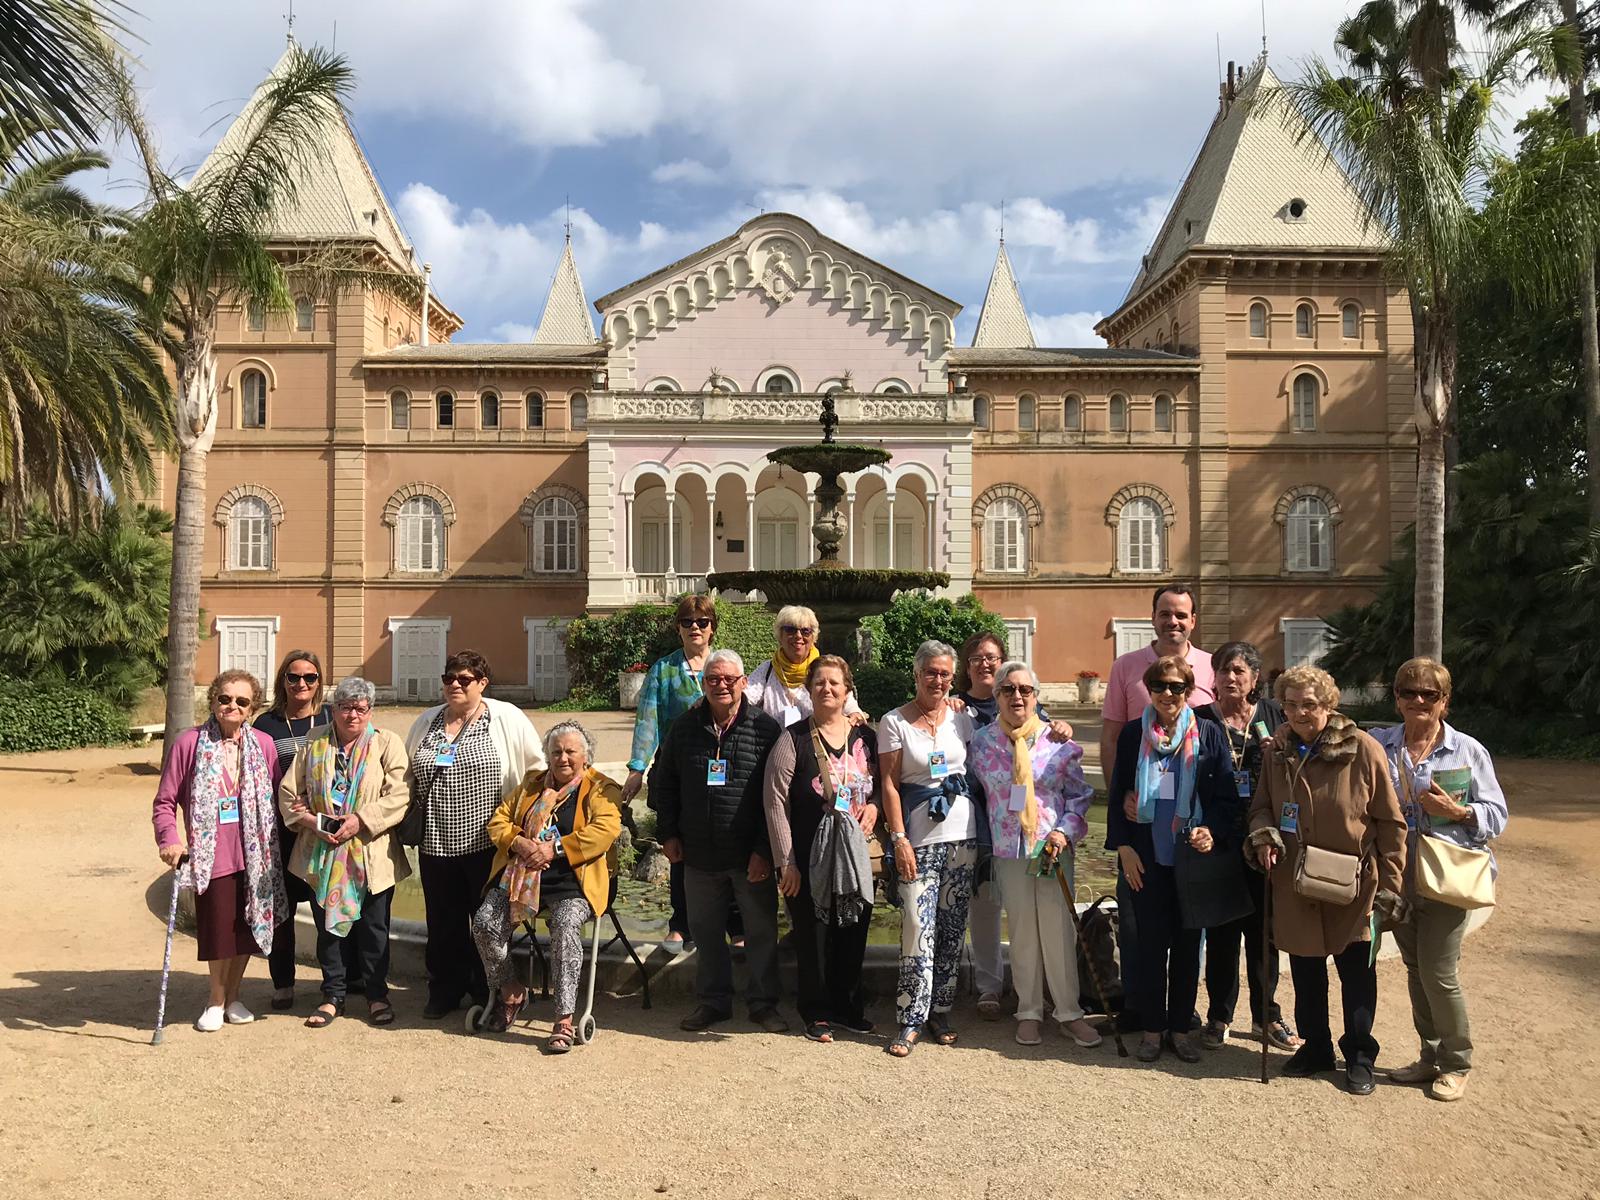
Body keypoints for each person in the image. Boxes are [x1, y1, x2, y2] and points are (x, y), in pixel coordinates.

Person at [1248, 665, 1407, 1096]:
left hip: (1353, 884)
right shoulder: (1278, 752)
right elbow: (1261, 808)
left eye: (1309, 704)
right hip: (1296, 882)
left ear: (1329, 704)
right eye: (1291, 704)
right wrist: (1264, 837)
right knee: (1305, 970)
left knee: (1356, 973)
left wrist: (1391, 886)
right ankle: (1316, 1047)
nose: (1300, 712)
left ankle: (1359, 1056)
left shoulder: (1365, 749)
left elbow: (1391, 823)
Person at [1374, 658, 1508, 1102]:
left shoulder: (1467, 750)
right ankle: (1429, 1056)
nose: (1418, 700)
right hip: (1398, 875)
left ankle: (1456, 1062)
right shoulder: (1380, 745)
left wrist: (1459, 811)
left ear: (1444, 701)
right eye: (1408, 692)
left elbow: (1497, 816)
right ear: (1396, 699)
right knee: (1416, 968)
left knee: (1439, 971)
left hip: (1448, 874)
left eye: (1429, 694)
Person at [1104, 654, 1237, 1063]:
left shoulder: (1209, 734)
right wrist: (1124, 847)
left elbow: (1226, 797)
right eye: (1159, 686)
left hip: (1189, 860)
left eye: (1176, 686)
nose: (1167, 693)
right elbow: (1118, 792)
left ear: (1189, 690)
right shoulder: (1133, 734)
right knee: (1148, 946)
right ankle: (1151, 1029)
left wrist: (1212, 830)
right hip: (1145, 858)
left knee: (1186, 948)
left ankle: (1179, 1029)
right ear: (1149, 689)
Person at [966, 662, 1102, 1049]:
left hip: (1051, 847)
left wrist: (1064, 832)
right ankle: (1028, 1010)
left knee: (1058, 930)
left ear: (1036, 696)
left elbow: (1080, 797)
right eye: (1008, 690)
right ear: (997, 697)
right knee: (1022, 931)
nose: (1017, 696)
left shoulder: (1058, 742)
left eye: (1025, 690)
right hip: (1009, 849)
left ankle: (1069, 1012)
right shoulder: (981, 743)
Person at [404, 649, 545, 1019]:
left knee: (486, 921)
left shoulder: (505, 718)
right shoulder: (427, 721)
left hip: (487, 845)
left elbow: (536, 770)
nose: (455, 684)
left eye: (464, 679)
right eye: (449, 678)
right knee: (442, 923)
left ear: (482, 683)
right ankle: (444, 989)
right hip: (435, 843)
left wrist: (529, 825)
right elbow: (408, 773)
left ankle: (487, 989)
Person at [653, 649, 787, 1033]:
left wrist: (764, 850)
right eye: (713, 679)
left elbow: (776, 798)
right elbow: (663, 783)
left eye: (729, 679)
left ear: (744, 683)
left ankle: (763, 1004)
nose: (721, 685)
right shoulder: (685, 727)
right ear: (704, 683)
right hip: (699, 854)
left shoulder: (765, 730)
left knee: (760, 933)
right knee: (707, 934)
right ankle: (713, 1003)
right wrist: (668, 833)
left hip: (749, 856)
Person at [472, 720, 622, 1053]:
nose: (563, 758)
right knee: (484, 924)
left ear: (586, 756)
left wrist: (554, 849)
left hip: (574, 881)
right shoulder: (532, 784)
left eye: (571, 752)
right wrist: (519, 842)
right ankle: (511, 991)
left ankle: (564, 1019)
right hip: (522, 877)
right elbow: (498, 820)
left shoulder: (601, 788)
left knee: (565, 926)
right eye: (556, 752)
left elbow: (605, 830)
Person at [151, 669, 286, 1032]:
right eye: (225, 698)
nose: (232, 706)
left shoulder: (264, 745)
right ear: (213, 700)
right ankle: (215, 999)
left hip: (257, 855)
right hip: (213, 855)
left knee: (247, 929)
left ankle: (234, 997)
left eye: (242, 701)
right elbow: (164, 801)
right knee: (218, 931)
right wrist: (168, 839)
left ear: (252, 708)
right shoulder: (189, 743)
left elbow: (278, 799)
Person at [951, 630, 1074, 1019]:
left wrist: (1063, 728)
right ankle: (1007, 996)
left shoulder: (1044, 726)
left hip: (1042, 838)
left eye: (992, 657)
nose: (984, 664)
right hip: (994, 836)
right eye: (977, 658)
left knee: (1047, 923)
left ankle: (1058, 1002)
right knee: (999, 917)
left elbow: (1071, 784)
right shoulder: (966, 723)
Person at [279, 678, 410, 1028]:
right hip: (322, 851)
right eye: (345, 707)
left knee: (373, 929)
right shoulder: (315, 741)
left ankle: (376, 994)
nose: (353, 715)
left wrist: (360, 820)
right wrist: (312, 821)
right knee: (328, 930)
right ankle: (332, 995)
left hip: (370, 852)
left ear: (371, 711)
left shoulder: (386, 743)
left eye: (360, 708)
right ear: (333, 709)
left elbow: (399, 794)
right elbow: (289, 790)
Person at [763, 655, 880, 1042]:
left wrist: (875, 807)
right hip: (808, 854)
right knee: (812, 934)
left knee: (854, 929)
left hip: (854, 854)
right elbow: (775, 803)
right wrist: (786, 862)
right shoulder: (792, 739)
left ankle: (847, 1007)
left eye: (834, 683)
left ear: (847, 691)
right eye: (819, 683)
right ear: (809, 691)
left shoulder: (865, 737)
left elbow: (880, 785)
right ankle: (815, 1011)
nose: (826, 689)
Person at [1192, 641, 1299, 1052]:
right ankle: (1219, 1015)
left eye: (1239, 670)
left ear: (1255, 678)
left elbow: (1303, 763)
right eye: (1223, 670)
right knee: (1221, 933)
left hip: (1264, 839)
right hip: (1218, 838)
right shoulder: (1201, 719)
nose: (1230, 677)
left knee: (1263, 933)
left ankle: (1265, 1015)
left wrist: (1283, 754)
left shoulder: (1275, 716)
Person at [879, 640, 979, 1057]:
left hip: (963, 837)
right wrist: (899, 838)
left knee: (952, 928)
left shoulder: (962, 719)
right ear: (917, 674)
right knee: (917, 926)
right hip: (918, 838)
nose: (937, 680)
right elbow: (888, 784)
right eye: (931, 673)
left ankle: (940, 1010)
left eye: (944, 674)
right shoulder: (894, 722)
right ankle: (911, 1017)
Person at [624, 594, 722, 952]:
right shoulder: (664, 670)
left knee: (725, 845)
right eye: (687, 621)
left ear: (712, 628)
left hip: (720, 769)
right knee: (678, 848)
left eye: (702, 622)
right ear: (678, 628)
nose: (695, 627)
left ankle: (729, 924)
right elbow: (648, 720)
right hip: (677, 772)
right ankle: (681, 925)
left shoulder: (724, 665)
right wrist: (637, 768)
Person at [253, 649, 338, 1010]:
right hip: (281, 833)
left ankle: (335, 984)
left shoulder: (333, 716)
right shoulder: (266, 724)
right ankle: (283, 983)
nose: (301, 683)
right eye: (293, 677)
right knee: (281, 911)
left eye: (310, 677)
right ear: (283, 681)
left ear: (319, 681)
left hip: (323, 833)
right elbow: (256, 776)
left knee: (327, 910)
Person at [745, 604, 865, 726]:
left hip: (816, 737)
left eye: (805, 631)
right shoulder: (767, 670)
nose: (798, 636)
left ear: (813, 636)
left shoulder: (823, 668)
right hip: (775, 738)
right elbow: (743, 699)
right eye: (790, 630)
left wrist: (854, 712)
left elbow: (844, 696)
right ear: (780, 635)